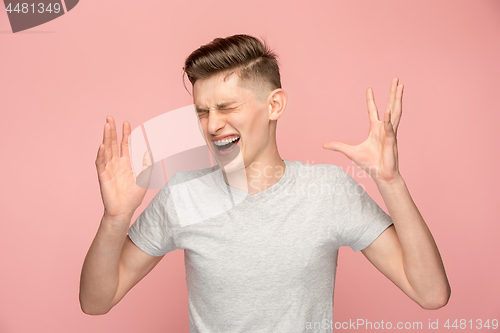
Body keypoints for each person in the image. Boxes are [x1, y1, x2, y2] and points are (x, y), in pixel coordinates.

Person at [79, 34, 450, 332]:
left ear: (274, 106)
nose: (212, 125)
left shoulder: (329, 190)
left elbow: (431, 293)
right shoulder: (181, 195)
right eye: (202, 112)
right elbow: (96, 302)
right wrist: (115, 218)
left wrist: (390, 181)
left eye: (227, 108)